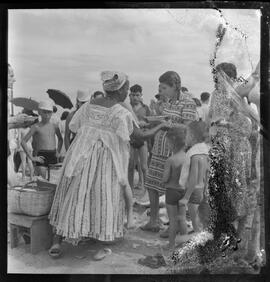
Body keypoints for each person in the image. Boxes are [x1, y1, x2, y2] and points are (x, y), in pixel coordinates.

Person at [48, 71, 171, 259]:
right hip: (105, 158)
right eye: (127, 89)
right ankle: (102, 242)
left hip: (80, 154)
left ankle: (57, 240)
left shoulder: (89, 106)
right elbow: (140, 136)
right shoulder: (120, 111)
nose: (128, 93)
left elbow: (74, 126)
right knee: (103, 196)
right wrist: (161, 126)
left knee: (72, 193)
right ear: (120, 90)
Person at [141, 71, 197, 233]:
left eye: (164, 88)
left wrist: (168, 125)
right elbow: (166, 120)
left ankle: (175, 226)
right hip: (159, 149)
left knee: (172, 190)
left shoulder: (188, 102)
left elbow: (188, 128)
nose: (161, 91)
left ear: (175, 86)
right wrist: (153, 122)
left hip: (174, 151)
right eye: (160, 88)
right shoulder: (169, 101)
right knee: (152, 184)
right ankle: (154, 221)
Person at [178, 121, 210, 234]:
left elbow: (193, 178)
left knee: (196, 224)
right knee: (203, 220)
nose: (185, 137)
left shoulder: (193, 154)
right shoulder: (206, 150)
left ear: (192, 136)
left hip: (193, 191)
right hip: (203, 189)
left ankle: (199, 246)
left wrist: (186, 197)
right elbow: (208, 173)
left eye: (186, 134)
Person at [21, 100, 63, 179]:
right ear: (40, 112)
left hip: (53, 154)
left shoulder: (55, 126)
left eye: (49, 112)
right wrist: (31, 157)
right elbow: (23, 141)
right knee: (43, 181)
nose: (47, 115)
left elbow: (60, 139)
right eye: (45, 112)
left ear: (52, 113)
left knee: (52, 180)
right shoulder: (36, 127)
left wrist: (58, 151)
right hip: (41, 155)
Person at [162, 126, 187, 251]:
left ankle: (171, 245)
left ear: (172, 143)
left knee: (172, 220)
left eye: (168, 143)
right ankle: (185, 245)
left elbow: (165, 178)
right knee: (182, 219)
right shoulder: (188, 158)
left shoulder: (170, 160)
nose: (167, 145)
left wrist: (164, 179)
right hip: (183, 191)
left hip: (171, 191)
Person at [128, 84, 151, 194]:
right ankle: (130, 190)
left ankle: (146, 191)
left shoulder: (146, 108)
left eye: (137, 95)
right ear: (130, 95)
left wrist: (144, 124)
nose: (135, 97)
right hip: (130, 140)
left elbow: (151, 122)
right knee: (130, 166)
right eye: (133, 95)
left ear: (141, 95)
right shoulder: (127, 107)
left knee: (144, 166)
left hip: (142, 139)